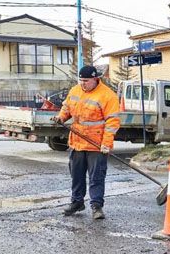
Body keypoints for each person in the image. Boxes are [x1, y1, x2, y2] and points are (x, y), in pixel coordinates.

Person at [52, 65, 121, 220]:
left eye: (86, 81)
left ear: (96, 79)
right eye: (81, 80)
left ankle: (96, 206)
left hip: (96, 145)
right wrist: (61, 117)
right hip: (77, 142)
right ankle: (77, 202)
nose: (83, 83)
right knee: (76, 175)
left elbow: (112, 122)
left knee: (96, 177)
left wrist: (106, 143)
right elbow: (67, 108)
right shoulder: (75, 91)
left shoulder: (107, 96)